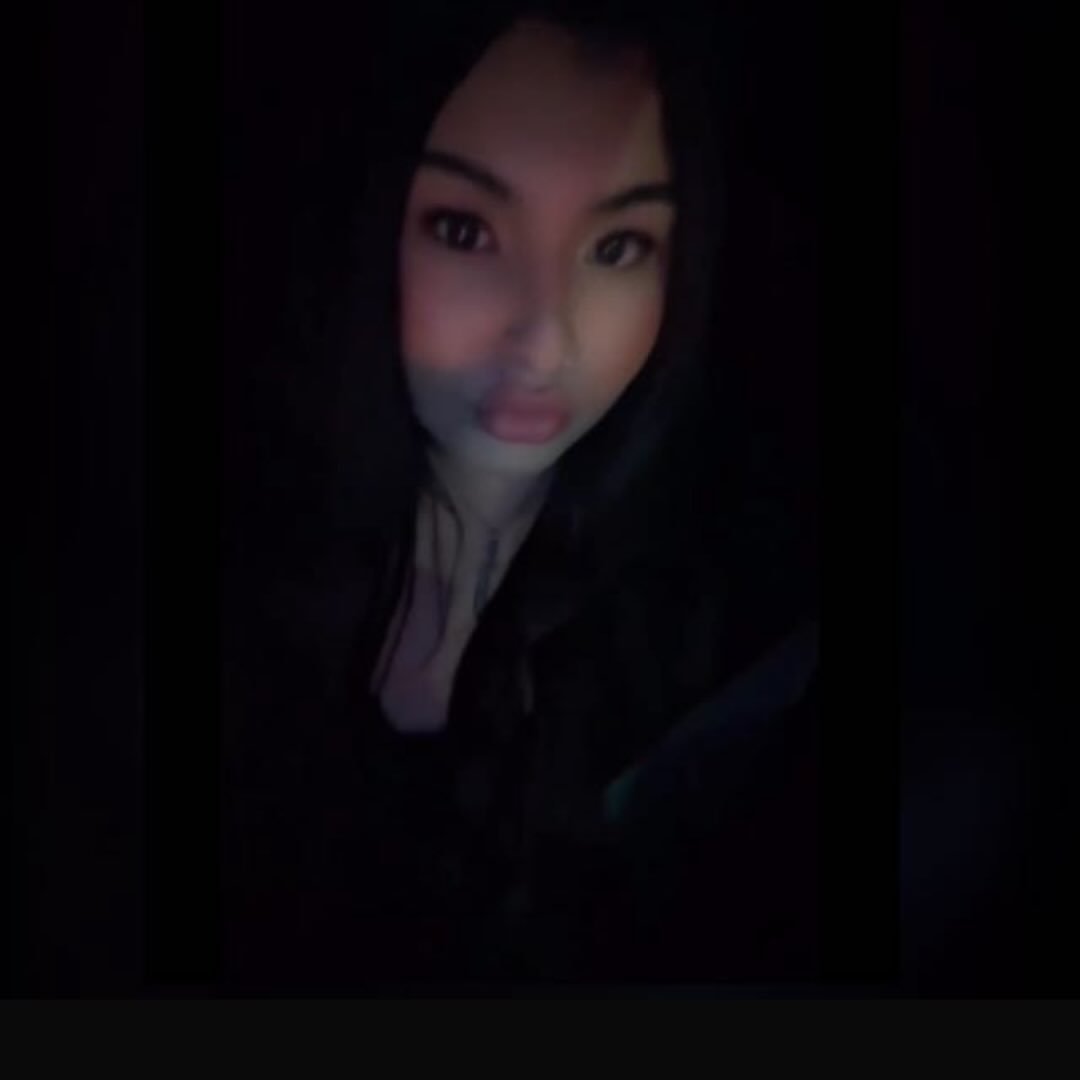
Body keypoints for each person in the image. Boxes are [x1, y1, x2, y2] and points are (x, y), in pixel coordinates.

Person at [222, 0, 818, 992]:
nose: (546, 340)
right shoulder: (227, 586)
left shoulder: (721, 624)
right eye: (464, 230)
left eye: (618, 247)